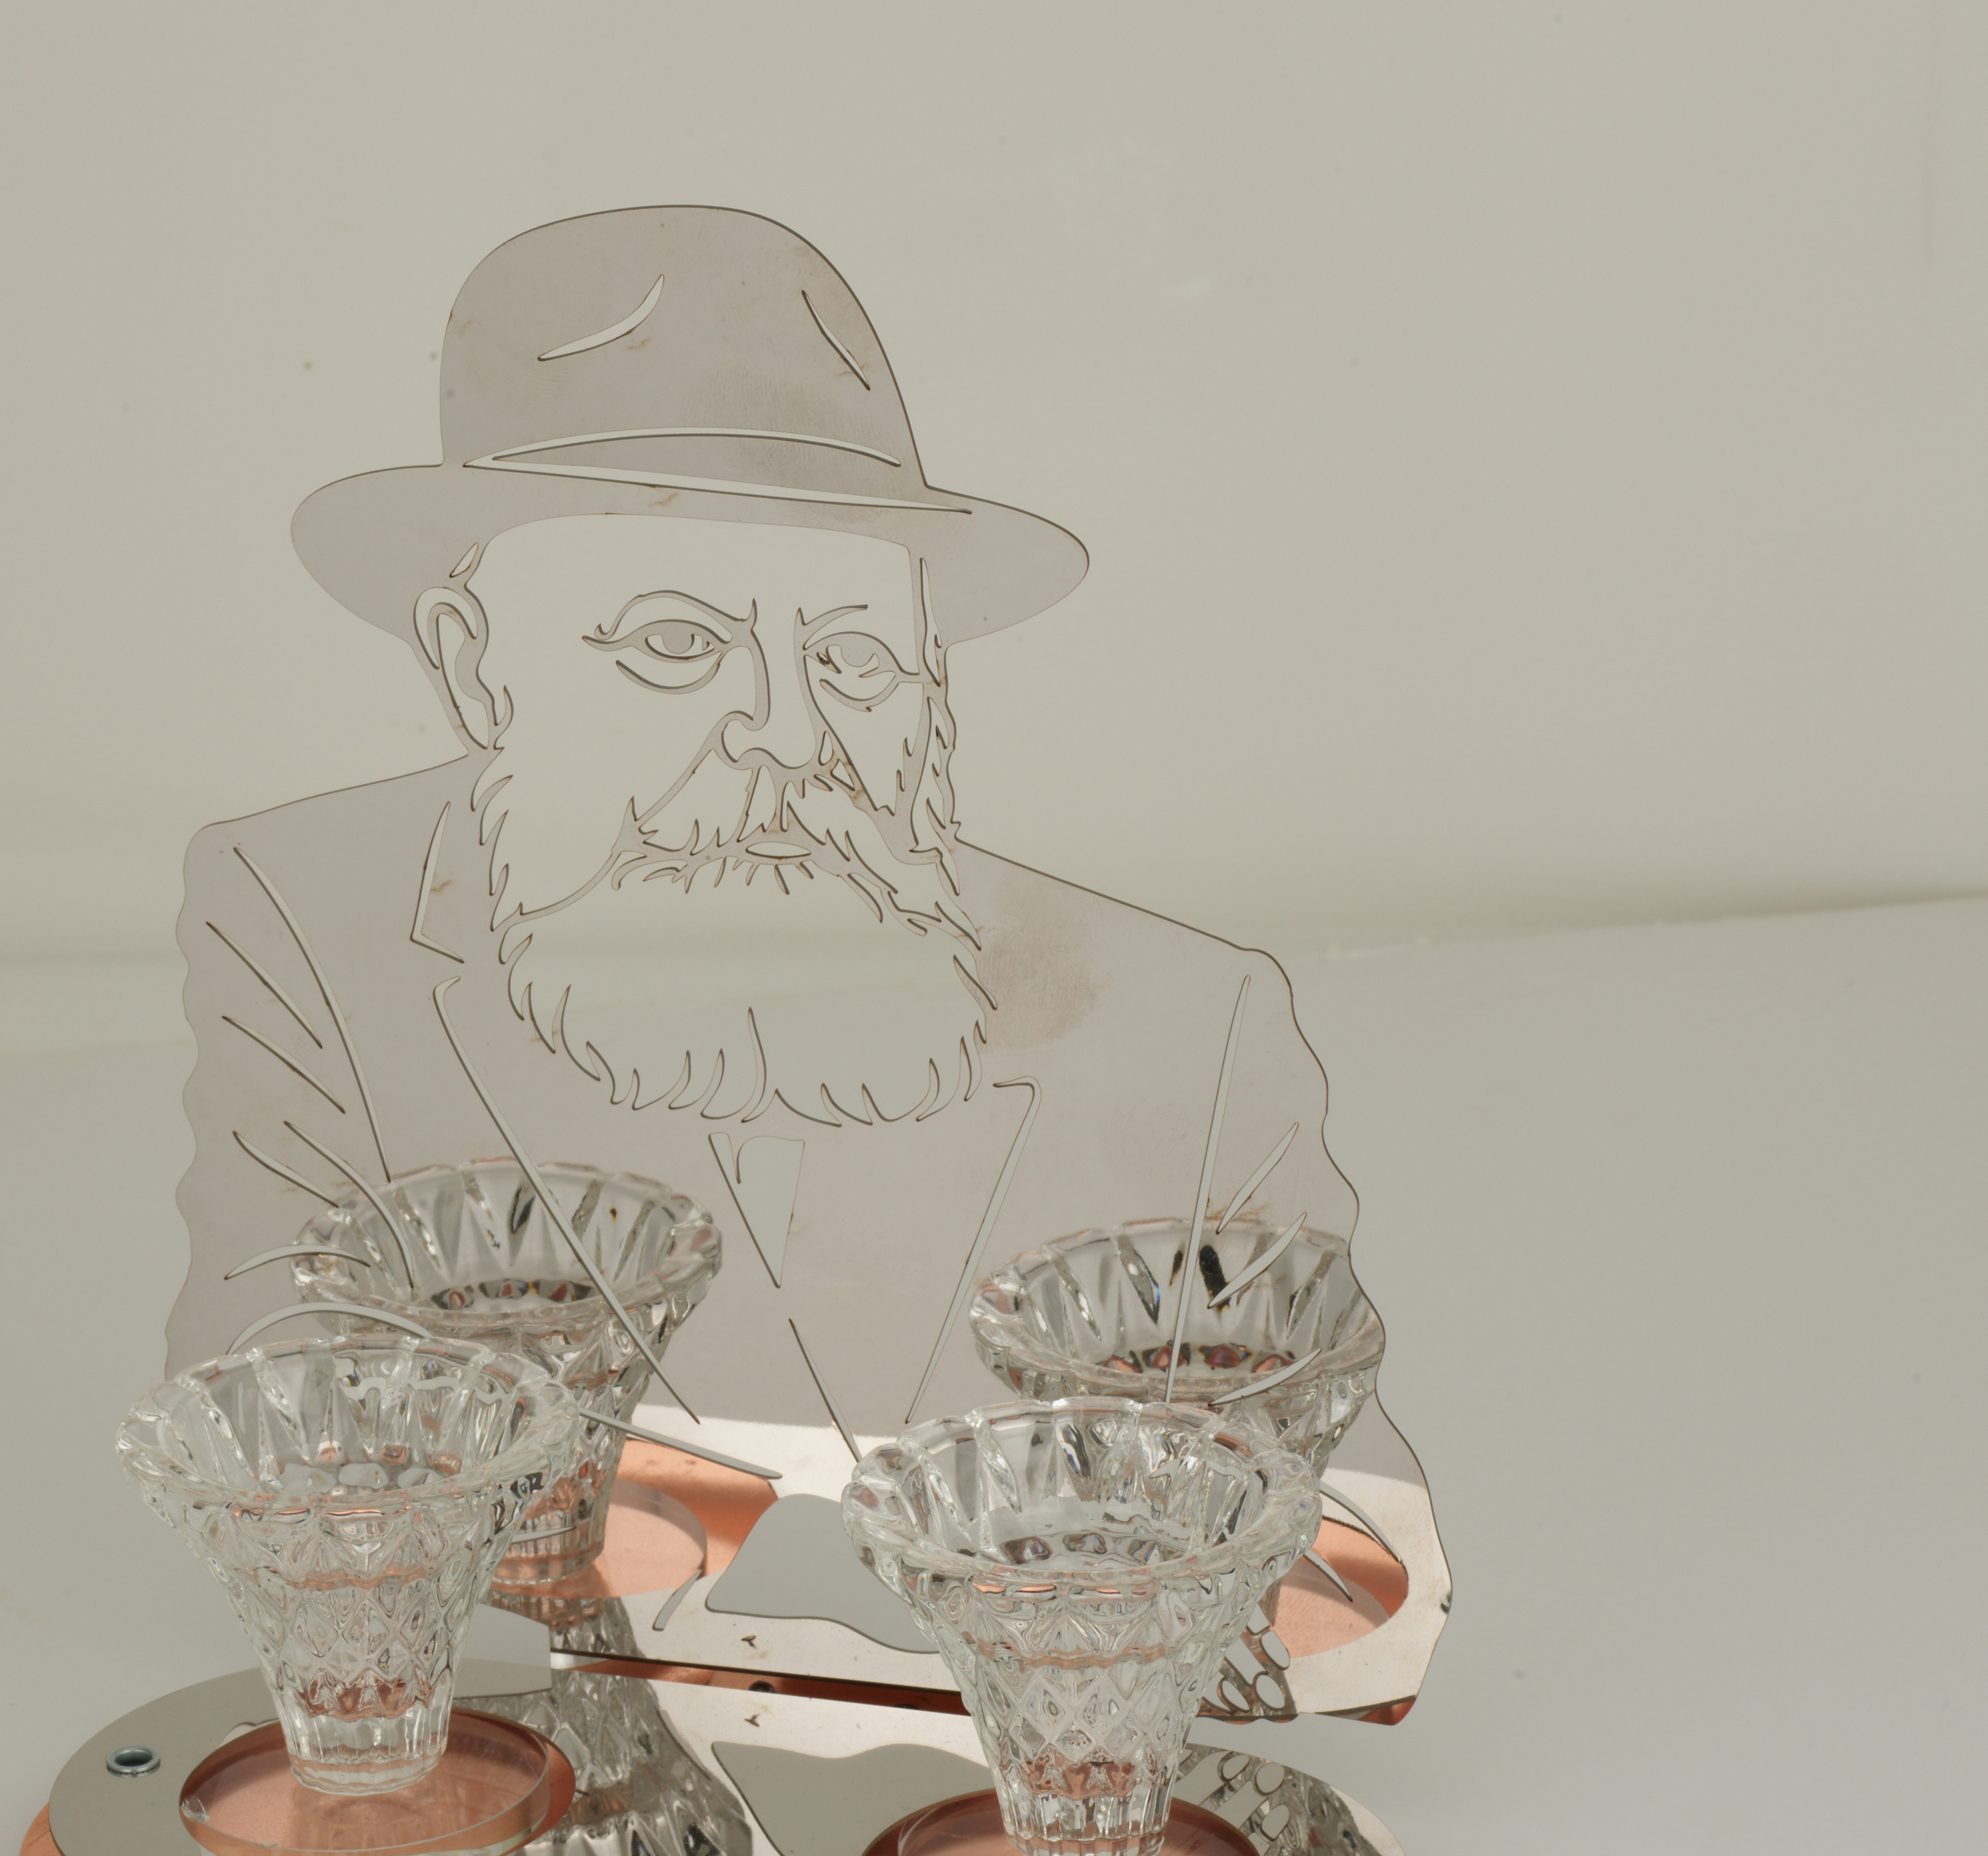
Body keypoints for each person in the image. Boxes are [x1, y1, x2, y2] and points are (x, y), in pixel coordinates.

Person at [165, 207, 1358, 1445]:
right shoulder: (302, 913)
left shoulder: (1194, 1024)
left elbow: (1334, 1503)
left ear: (933, 686)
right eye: (678, 643)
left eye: (852, 658)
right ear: (474, 668)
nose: (788, 734)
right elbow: (271, 1421)